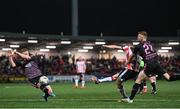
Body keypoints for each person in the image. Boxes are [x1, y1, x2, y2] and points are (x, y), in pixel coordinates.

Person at [121, 31, 180, 103]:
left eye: (138, 36)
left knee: (138, 80)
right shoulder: (150, 44)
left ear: (142, 37)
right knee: (169, 78)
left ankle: (130, 99)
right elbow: (154, 53)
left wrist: (127, 62)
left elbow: (132, 56)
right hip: (156, 63)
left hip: (149, 64)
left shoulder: (138, 46)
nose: (137, 37)